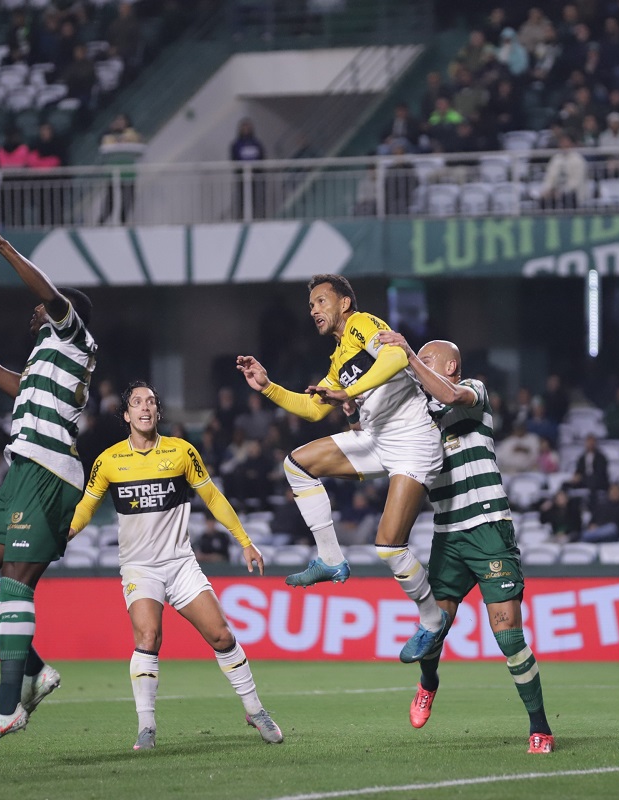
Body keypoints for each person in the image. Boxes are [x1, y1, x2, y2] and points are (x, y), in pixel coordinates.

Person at [0, 209, 98, 754]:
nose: (36, 311)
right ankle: (36, 672)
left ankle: (8, 710)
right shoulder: (45, 358)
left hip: (50, 473)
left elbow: (49, 293)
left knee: (14, 586)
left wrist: (1, 246)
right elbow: (18, 386)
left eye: (44, 307)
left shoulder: (75, 338)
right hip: (22, 470)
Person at [235, 274, 446, 662]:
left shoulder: (364, 323)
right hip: (377, 439)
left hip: (414, 440)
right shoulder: (338, 358)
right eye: (311, 304)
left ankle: (432, 620)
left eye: (320, 301)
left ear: (344, 303)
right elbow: (315, 408)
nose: (314, 309)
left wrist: (347, 393)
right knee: (297, 463)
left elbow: (397, 356)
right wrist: (267, 386)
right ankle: (331, 558)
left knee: (389, 547)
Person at [67, 382, 281, 751]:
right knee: (148, 638)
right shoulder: (109, 460)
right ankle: (147, 727)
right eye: (137, 402)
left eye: (151, 401)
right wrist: (65, 533)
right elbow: (86, 507)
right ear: (127, 415)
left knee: (222, 636)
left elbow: (212, 496)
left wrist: (245, 541)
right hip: (139, 567)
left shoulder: (182, 452)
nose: (145, 407)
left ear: (158, 412)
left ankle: (255, 710)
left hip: (181, 564)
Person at [376, 331, 554, 754]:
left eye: (424, 358)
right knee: (432, 627)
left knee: (508, 636)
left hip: (490, 530)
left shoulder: (472, 391)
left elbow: (452, 397)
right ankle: (428, 683)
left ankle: (540, 727)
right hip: (447, 535)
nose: (415, 362)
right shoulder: (415, 414)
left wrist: (406, 356)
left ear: (449, 365)